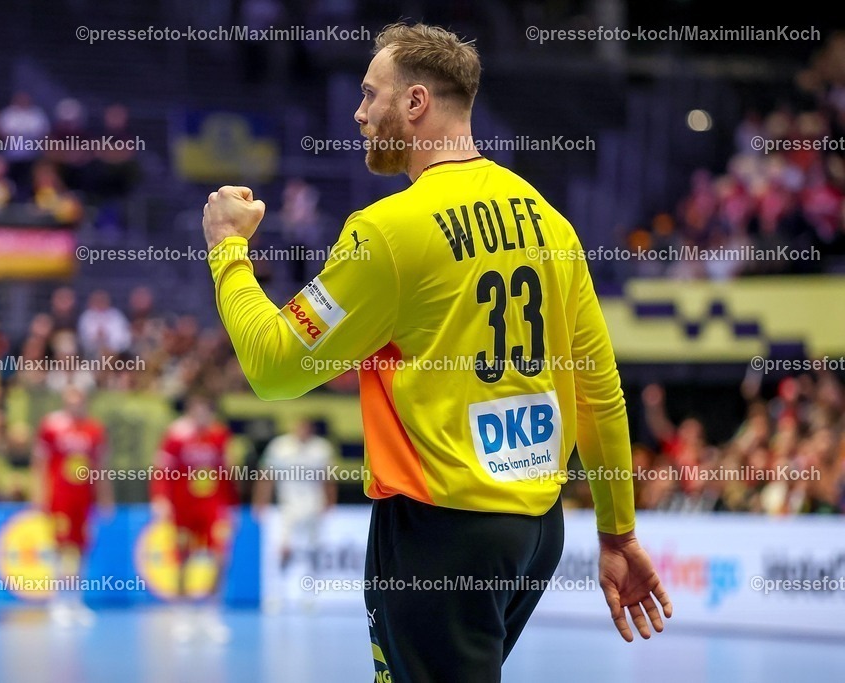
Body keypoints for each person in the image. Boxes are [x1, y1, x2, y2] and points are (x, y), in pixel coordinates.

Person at [201, 22, 672, 682]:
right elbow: (598, 390)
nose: (359, 113)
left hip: (438, 533)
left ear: (416, 102)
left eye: (370, 94)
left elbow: (274, 367)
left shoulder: (389, 233)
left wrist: (227, 250)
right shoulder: (550, 221)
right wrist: (618, 531)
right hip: (537, 532)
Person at [149, 394, 235, 642]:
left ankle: (212, 614)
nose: (201, 416)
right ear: (190, 411)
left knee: (220, 557)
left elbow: (227, 473)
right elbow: (162, 470)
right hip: (184, 507)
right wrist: (160, 498)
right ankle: (182, 614)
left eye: (206, 410)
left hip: (212, 506)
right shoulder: (176, 436)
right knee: (183, 558)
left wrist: (230, 506)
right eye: (197, 410)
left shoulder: (219, 435)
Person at [32, 384, 112, 626]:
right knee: (60, 546)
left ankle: (76, 601)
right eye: (70, 399)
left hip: (84, 499)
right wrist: (39, 494)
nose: (75, 404)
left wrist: (105, 498)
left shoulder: (94, 430)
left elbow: (101, 467)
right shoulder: (51, 426)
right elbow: (40, 463)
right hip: (60, 497)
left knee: (81, 548)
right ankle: (58, 601)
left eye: (79, 399)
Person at [254, 418, 336, 611]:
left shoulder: (322, 448)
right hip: (288, 507)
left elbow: (329, 478)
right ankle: (277, 594)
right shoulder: (279, 446)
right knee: (283, 550)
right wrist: (260, 501)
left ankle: (310, 595)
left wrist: (330, 502)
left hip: (314, 507)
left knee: (313, 551)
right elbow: (266, 475)